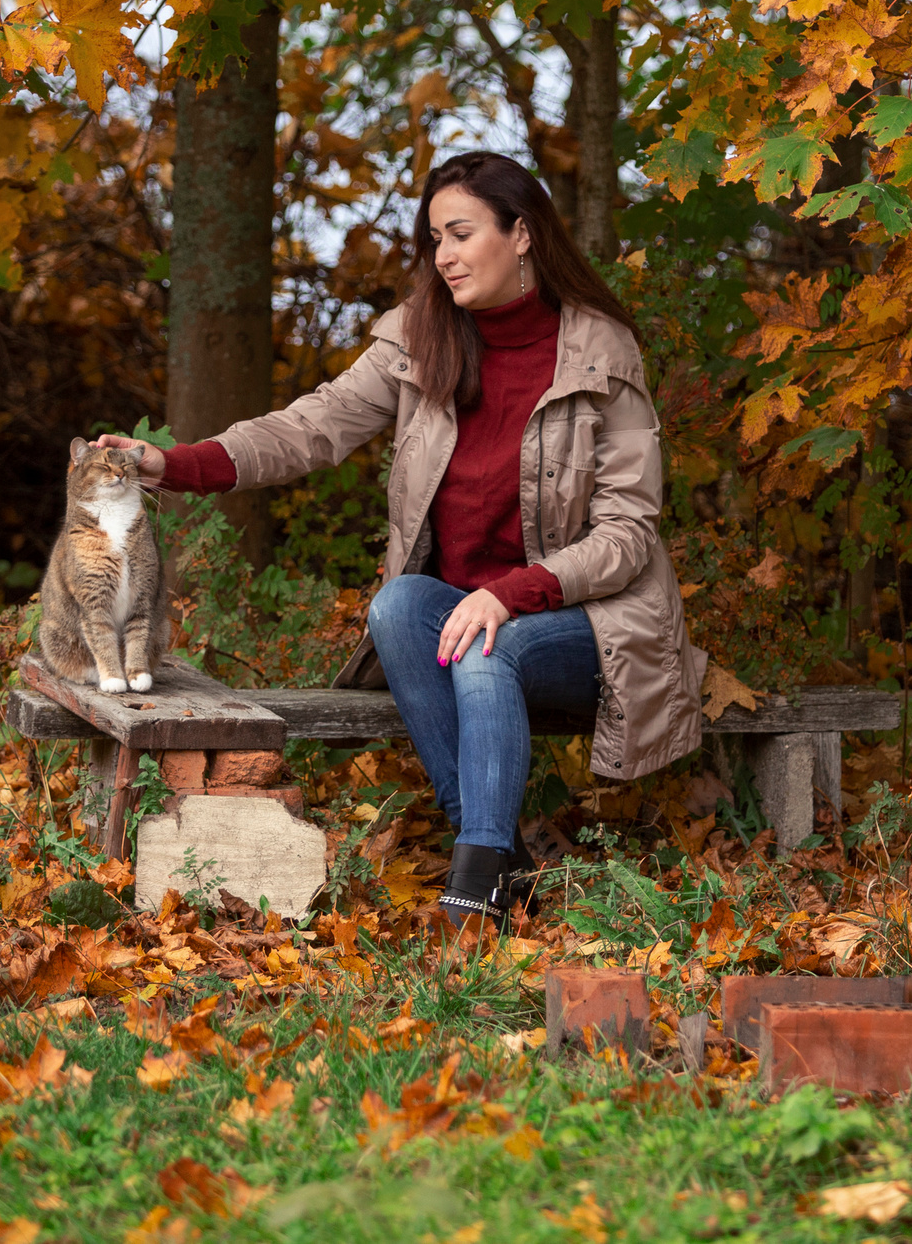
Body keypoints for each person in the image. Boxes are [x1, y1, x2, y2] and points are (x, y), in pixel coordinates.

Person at [97, 151, 707, 928]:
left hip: (592, 625)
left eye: (460, 233)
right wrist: (170, 464)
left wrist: (506, 593)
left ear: (522, 235)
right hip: (464, 615)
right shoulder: (420, 338)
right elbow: (310, 427)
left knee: (490, 644)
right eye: (434, 239)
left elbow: (627, 533)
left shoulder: (599, 353)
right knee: (397, 608)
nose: (443, 256)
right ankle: (495, 858)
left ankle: (474, 880)